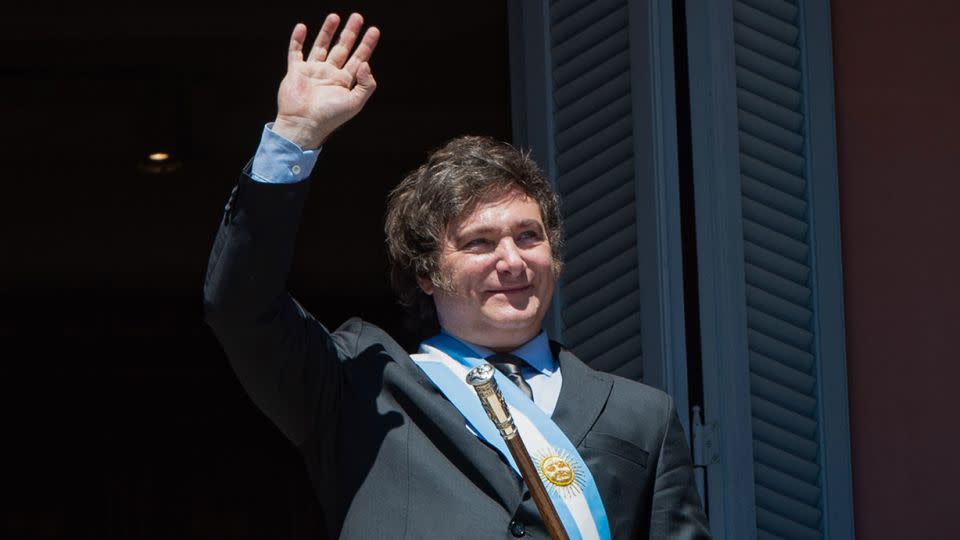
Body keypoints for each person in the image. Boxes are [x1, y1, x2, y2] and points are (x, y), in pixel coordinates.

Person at [203, 12, 711, 539]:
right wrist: (295, 136)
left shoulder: (641, 416)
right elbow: (241, 304)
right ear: (426, 273)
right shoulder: (358, 387)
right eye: (479, 243)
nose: (512, 262)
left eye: (529, 237)